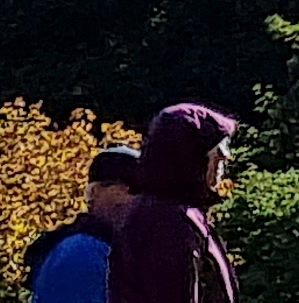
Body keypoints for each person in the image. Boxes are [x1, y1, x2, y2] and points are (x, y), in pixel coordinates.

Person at [107, 103, 242, 303]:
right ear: (191, 158)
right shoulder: (169, 224)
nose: (226, 157)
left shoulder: (167, 215)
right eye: (218, 151)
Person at [21, 147, 143, 303]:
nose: (131, 200)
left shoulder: (105, 248)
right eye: (129, 188)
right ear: (94, 193)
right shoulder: (83, 250)